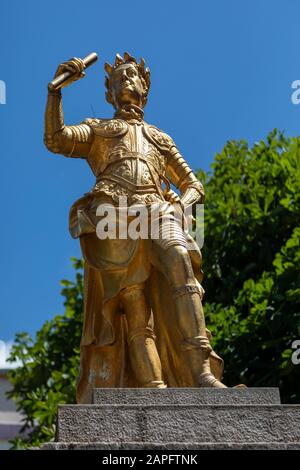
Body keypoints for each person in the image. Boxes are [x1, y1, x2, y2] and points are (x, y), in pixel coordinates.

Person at [44, 52, 226, 403]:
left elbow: (194, 186)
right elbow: (57, 139)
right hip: (112, 214)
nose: (126, 80)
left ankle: (201, 373)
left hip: (157, 210)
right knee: (133, 305)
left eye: (132, 76)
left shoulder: (161, 138)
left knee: (180, 264)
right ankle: (152, 388)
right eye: (118, 79)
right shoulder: (99, 129)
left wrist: (182, 205)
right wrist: (55, 92)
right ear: (110, 94)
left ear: (145, 87)